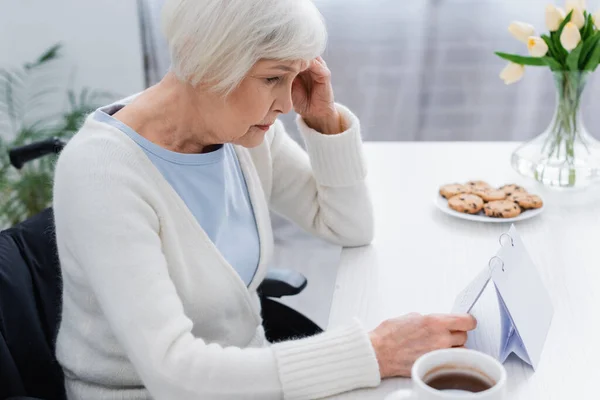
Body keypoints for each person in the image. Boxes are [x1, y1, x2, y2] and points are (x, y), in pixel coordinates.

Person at [52, 0, 477, 399]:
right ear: (207, 59)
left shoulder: (243, 135)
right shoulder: (101, 172)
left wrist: (324, 122)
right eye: (274, 78)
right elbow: (172, 374)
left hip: (246, 377)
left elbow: (349, 226)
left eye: (296, 77)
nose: (288, 103)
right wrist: (374, 352)